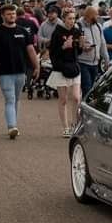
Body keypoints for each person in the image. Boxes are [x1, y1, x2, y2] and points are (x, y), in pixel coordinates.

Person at [0, 4, 39, 139]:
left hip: (21, 71)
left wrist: (37, 66)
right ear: (3, 16)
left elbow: (31, 50)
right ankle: (12, 126)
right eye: (9, 14)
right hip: (4, 72)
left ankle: (14, 125)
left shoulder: (23, 31)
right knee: (10, 99)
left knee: (16, 99)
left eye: (13, 14)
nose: (12, 16)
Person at [48, 9, 82, 137]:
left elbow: (78, 52)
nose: (72, 21)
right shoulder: (57, 32)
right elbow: (52, 53)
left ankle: (74, 124)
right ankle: (66, 127)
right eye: (69, 18)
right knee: (63, 99)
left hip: (74, 67)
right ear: (64, 19)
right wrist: (63, 47)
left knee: (76, 97)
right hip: (61, 68)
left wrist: (82, 46)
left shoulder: (77, 31)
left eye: (74, 19)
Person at [77, 6, 109, 96]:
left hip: (95, 63)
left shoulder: (98, 26)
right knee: (87, 88)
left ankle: (85, 106)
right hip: (83, 63)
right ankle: (84, 107)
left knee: (92, 88)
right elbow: (76, 44)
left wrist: (106, 59)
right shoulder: (78, 26)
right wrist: (83, 47)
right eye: (96, 15)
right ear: (89, 16)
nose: (98, 17)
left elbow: (103, 43)